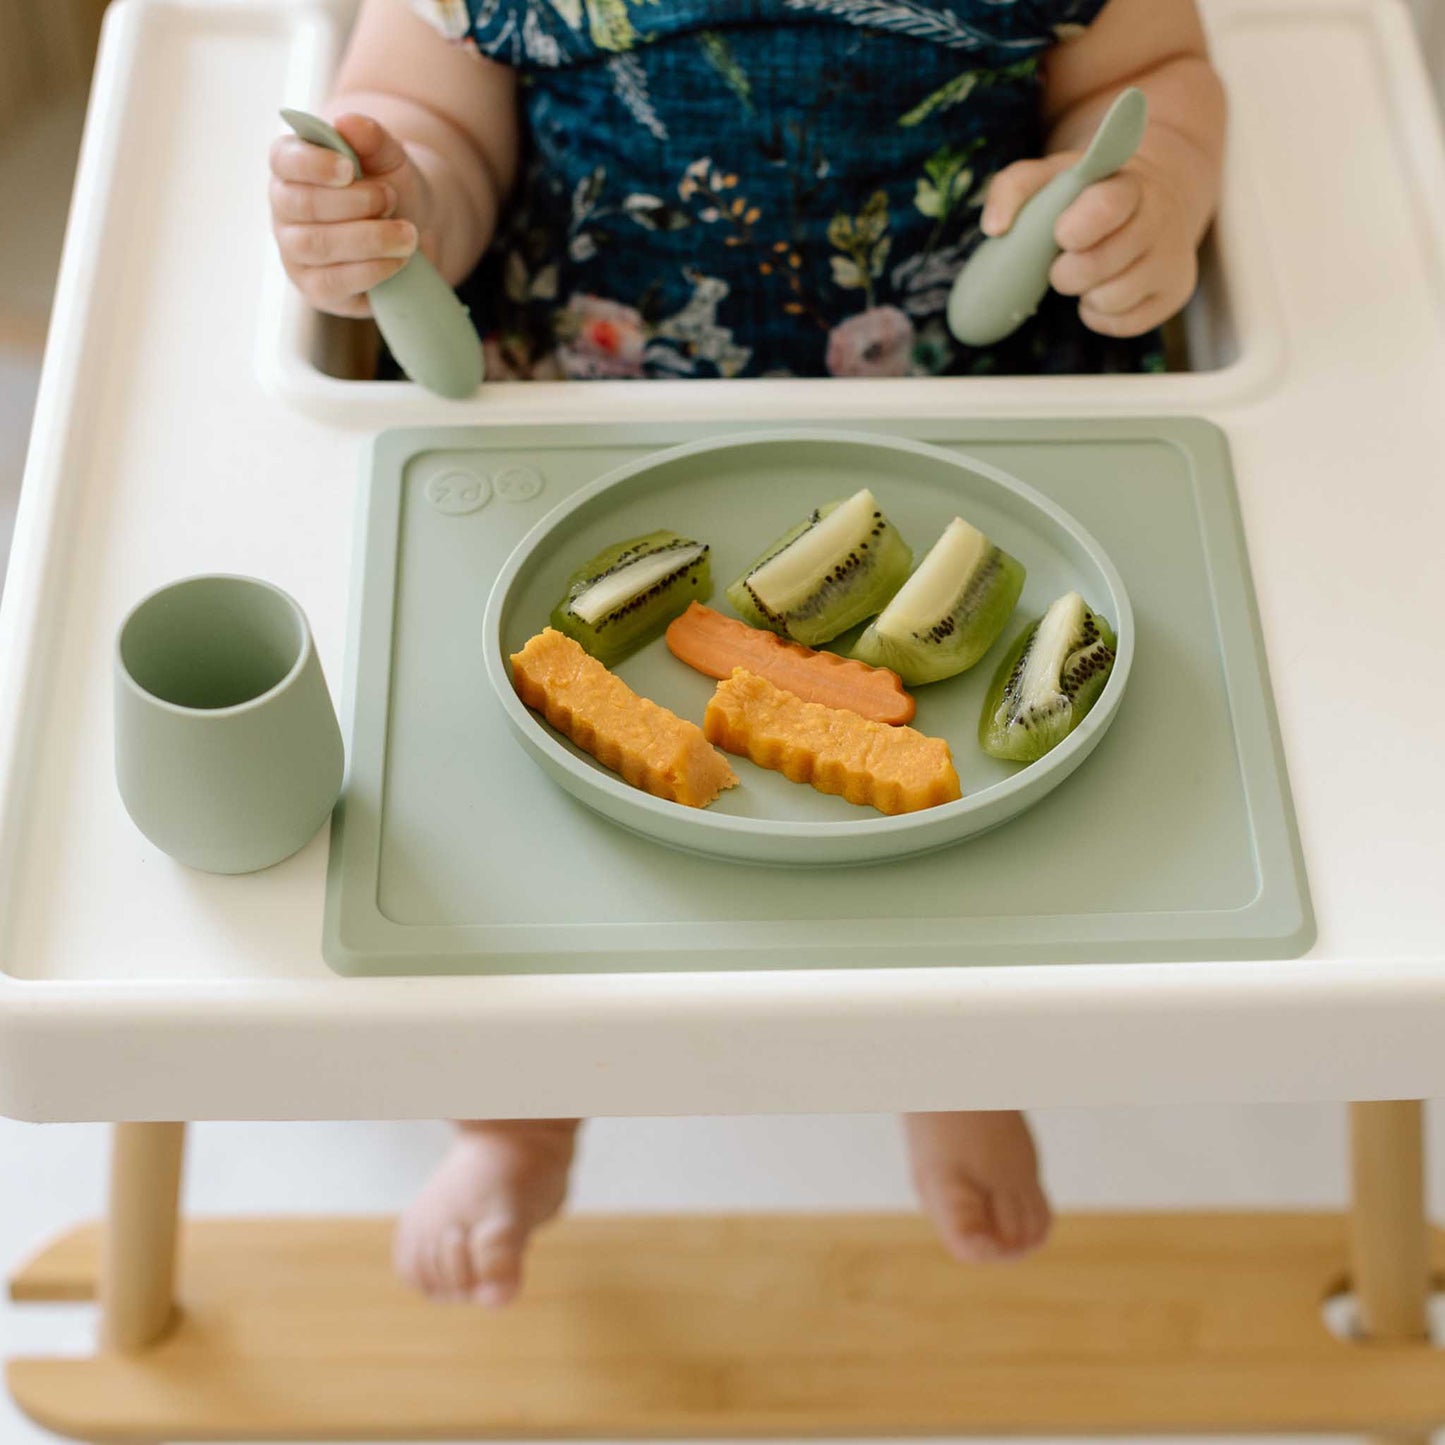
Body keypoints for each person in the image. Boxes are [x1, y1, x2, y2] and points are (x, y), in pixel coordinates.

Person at [269, 0, 1224, 1304]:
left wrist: (1147, 186)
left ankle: (950, 1056)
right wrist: (392, 202)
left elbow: (1150, 75)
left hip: (967, 420)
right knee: (515, 829)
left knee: (957, 813)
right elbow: (440, 126)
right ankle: (517, 1113)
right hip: (584, 432)